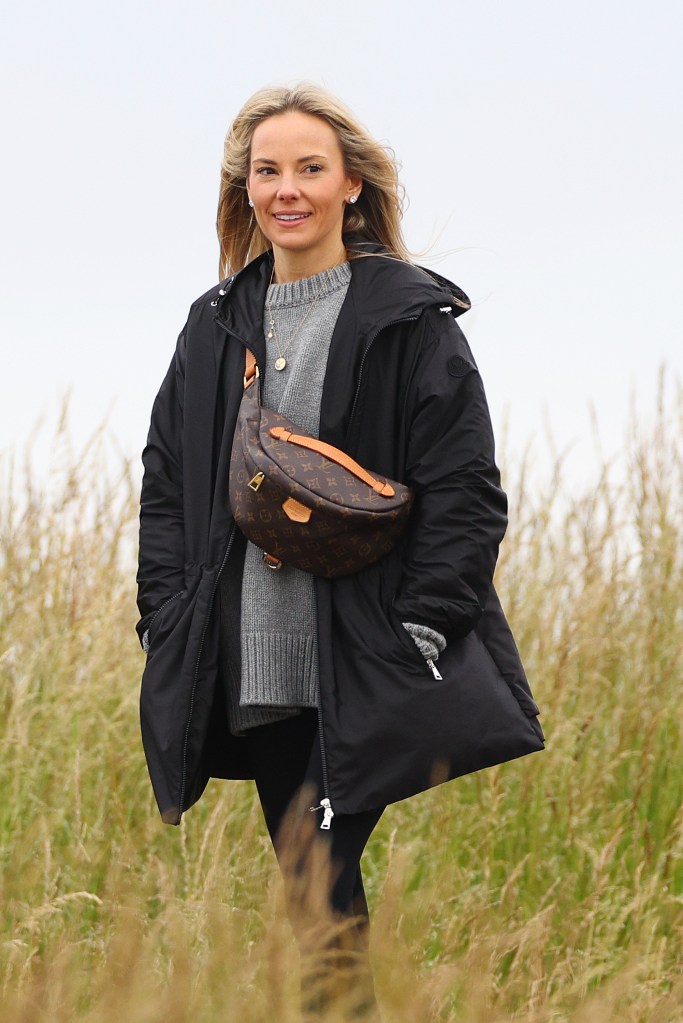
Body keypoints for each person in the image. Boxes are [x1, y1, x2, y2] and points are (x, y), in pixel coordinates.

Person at [136, 83, 544, 1019]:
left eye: (310, 168)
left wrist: (426, 623)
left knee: (318, 880)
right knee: (311, 887)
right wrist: (166, 614)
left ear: (351, 183)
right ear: (244, 189)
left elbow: (466, 490)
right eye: (266, 170)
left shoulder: (410, 322)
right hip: (253, 669)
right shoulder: (211, 326)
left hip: (362, 658)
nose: (288, 188)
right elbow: (167, 484)